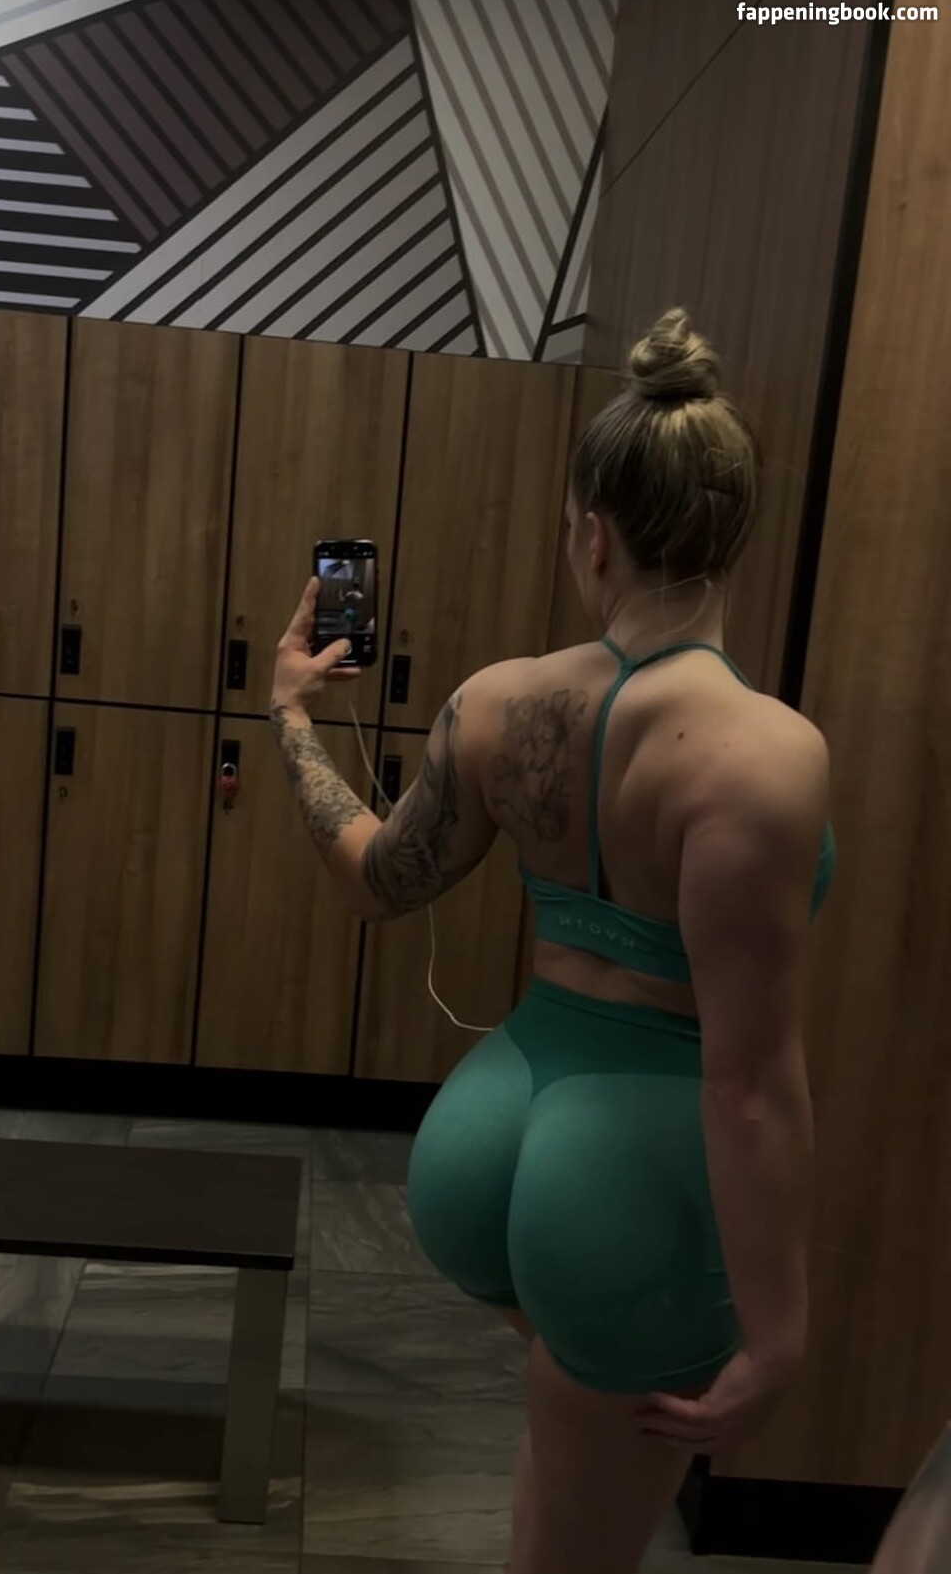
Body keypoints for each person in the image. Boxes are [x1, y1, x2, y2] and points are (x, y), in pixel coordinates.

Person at [268, 308, 834, 1574]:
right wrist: (780, 1330)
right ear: (735, 533)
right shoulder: (763, 755)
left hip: (490, 1131)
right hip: (627, 1175)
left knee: (566, 1449)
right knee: (584, 1524)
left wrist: (292, 715)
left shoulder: (496, 703)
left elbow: (373, 879)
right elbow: (747, 1081)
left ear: (591, 532)